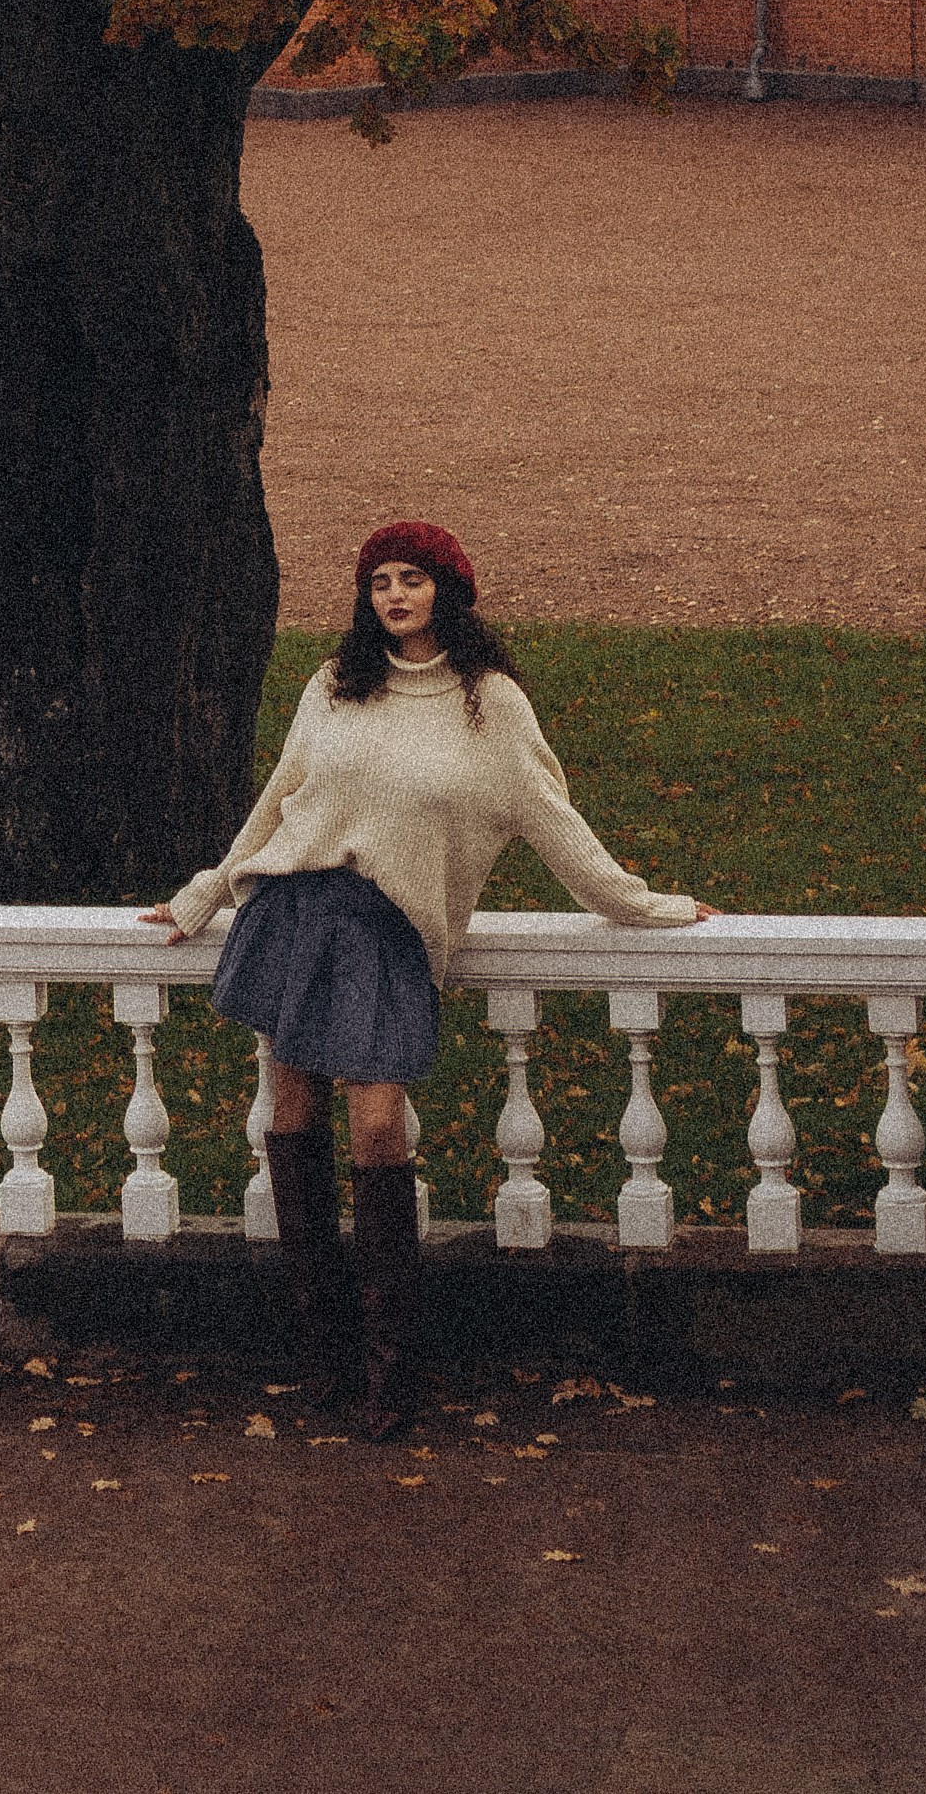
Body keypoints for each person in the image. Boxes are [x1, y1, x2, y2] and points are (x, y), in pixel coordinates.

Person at [143, 522, 712, 1438]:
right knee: (292, 1115)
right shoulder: (335, 684)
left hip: (390, 929)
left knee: (376, 1126)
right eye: (378, 582)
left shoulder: (493, 704)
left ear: (449, 590)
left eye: (411, 578)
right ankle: (324, 1349)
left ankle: (393, 1363)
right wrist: (207, 890)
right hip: (295, 908)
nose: (394, 596)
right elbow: (281, 795)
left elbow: (552, 819)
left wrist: (647, 905)